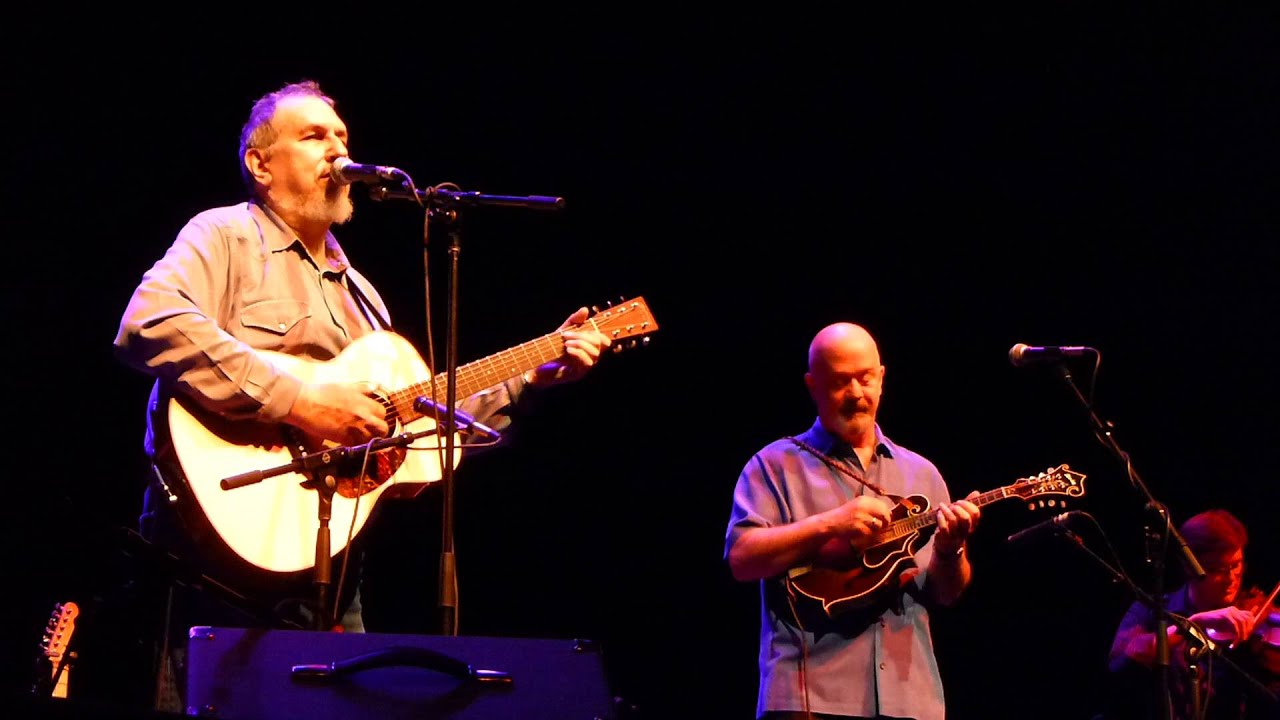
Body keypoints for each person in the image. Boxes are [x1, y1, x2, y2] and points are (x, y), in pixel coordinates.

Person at [107, 79, 612, 712]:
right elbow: (149, 323)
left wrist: (535, 372)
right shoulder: (227, 237)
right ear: (260, 164)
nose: (337, 150)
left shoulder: (362, 295)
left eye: (341, 136)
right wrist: (297, 402)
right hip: (212, 568)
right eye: (314, 135)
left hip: (334, 580)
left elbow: (419, 422)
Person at [724, 322, 981, 720]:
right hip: (810, 698)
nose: (856, 394)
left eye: (864, 379)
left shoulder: (923, 475)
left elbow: (944, 594)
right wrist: (829, 524)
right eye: (841, 382)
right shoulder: (773, 466)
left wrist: (950, 552)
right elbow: (741, 559)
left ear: (881, 379)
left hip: (910, 699)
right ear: (812, 385)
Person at [1103, 508, 1273, 720]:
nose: (1231, 578)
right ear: (1188, 566)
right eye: (1218, 569)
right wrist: (1192, 625)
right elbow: (1121, 664)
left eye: (1236, 565)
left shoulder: (1259, 612)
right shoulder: (1150, 610)